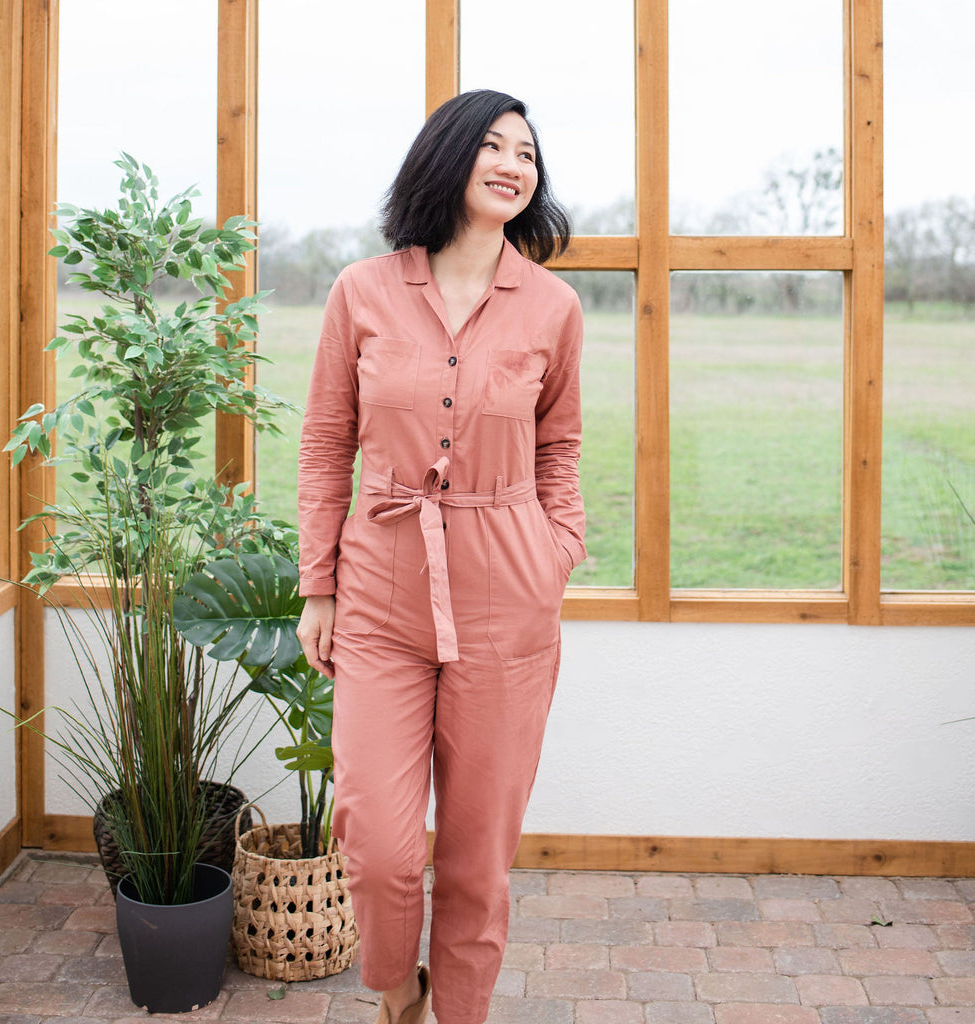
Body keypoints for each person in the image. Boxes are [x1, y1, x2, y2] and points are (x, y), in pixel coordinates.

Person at [296, 89, 586, 1024]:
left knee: (475, 858)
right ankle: (397, 992)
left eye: (528, 154)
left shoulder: (553, 307)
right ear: (449, 158)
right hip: (379, 597)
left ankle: (463, 1012)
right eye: (494, 146)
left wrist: (557, 551)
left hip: (510, 603)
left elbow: (561, 450)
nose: (513, 164)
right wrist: (319, 588)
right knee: (378, 847)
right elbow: (323, 440)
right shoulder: (364, 290)